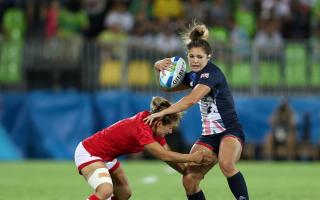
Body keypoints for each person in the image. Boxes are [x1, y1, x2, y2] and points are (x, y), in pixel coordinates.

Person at [144, 22, 249, 200]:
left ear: (209, 57)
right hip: (209, 136)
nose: (195, 60)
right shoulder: (193, 75)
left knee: (226, 164)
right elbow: (168, 88)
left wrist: (161, 112)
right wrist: (158, 67)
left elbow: (190, 100)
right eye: (191, 56)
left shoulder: (211, 73)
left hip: (229, 131)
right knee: (189, 179)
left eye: (200, 57)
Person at [74, 96, 213, 200]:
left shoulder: (153, 125)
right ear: (159, 123)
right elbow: (163, 155)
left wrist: (188, 173)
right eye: (170, 128)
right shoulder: (141, 128)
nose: (171, 132)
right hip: (90, 153)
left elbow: (168, 154)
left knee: (124, 193)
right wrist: (192, 158)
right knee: (105, 190)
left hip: (107, 157)